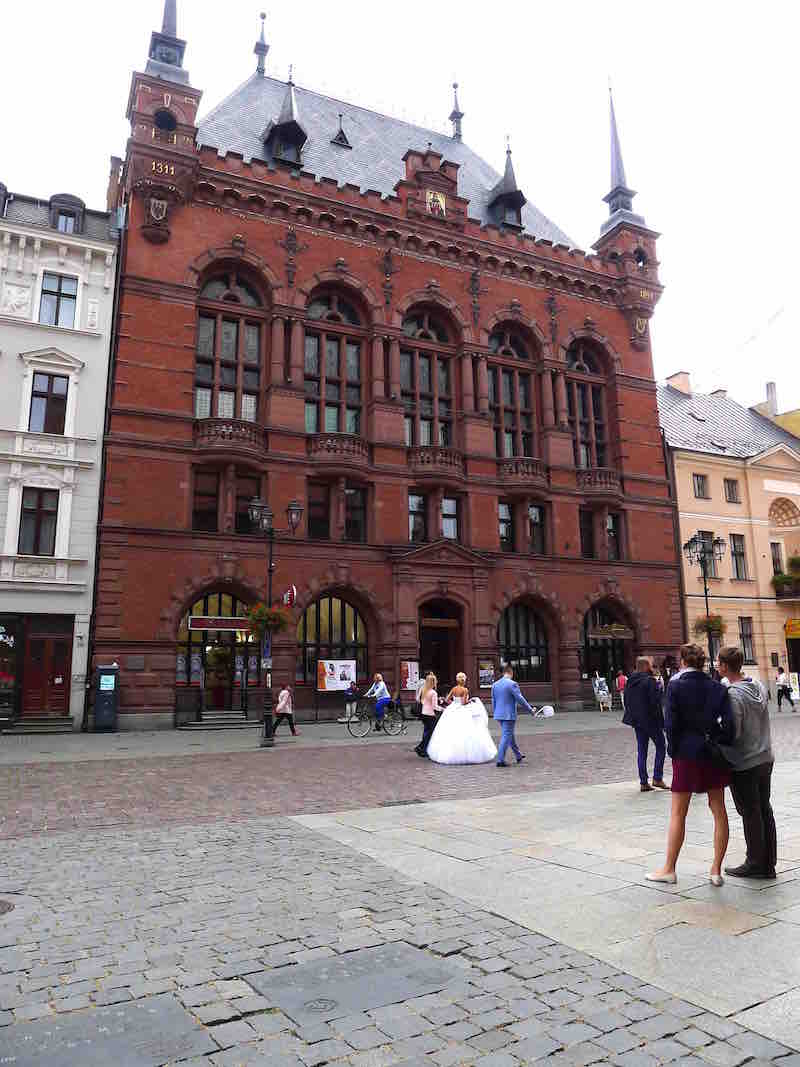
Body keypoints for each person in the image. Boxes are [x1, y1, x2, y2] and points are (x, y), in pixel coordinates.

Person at [647, 643, 732, 887]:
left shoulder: (675, 686)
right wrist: (717, 741)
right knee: (719, 809)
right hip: (712, 753)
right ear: (703, 662)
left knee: (678, 812)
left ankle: (669, 869)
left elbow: (670, 724)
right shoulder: (718, 688)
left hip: (685, 753)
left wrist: (674, 750)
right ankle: (716, 870)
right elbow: (729, 726)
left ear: (683, 662)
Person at [718, 646, 777, 879]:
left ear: (725, 666)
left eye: (719, 663)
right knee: (764, 809)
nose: (717, 666)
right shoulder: (758, 685)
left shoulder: (733, 694)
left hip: (745, 761)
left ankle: (755, 863)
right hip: (765, 757)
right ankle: (768, 863)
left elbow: (734, 731)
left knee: (750, 812)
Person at [427, 672, 498, 765]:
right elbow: (464, 702)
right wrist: (470, 700)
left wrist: (453, 703)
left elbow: (447, 699)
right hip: (462, 710)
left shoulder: (454, 689)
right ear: (464, 681)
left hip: (452, 710)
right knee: (467, 730)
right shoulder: (465, 690)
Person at [622, 656, 668, 792]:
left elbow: (627, 700)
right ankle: (657, 778)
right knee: (661, 746)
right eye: (651, 665)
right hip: (651, 720)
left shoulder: (630, 681)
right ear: (646, 666)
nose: (653, 668)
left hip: (637, 721)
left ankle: (643, 782)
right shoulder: (649, 681)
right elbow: (655, 704)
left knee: (642, 750)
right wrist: (662, 723)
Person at [491, 665, 533, 767]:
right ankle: (500, 760)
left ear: (503, 673)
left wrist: (495, 712)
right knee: (506, 736)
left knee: (510, 735)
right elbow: (520, 698)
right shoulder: (512, 684)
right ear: (511, 673)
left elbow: (493, 700)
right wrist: (530, 709)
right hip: (508, 715)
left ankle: (518, 755)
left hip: (499, 714)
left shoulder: (495, 684)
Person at [415, 673, 441, 758]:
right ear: (433, 682)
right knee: (430, 733)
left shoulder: (423, 690)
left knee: (426, 731)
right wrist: (443, 709)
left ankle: (421, 748)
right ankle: (422, 749)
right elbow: (435, 707)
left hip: (423, 713)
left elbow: (419, 700)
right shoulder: (433, 692)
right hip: (430, 715)